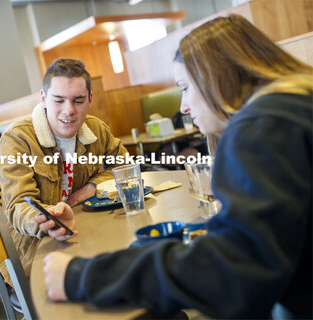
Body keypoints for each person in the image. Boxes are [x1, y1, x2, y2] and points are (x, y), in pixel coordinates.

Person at [42, 15, 312, 319]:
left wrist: (83, 276)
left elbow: (232, 273)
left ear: (217, 78)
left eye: (185, 87)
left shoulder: (261, 128)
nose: (183, 106)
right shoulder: (295, 106)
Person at [0, 58, 128, 281]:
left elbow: (125, 165)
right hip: (35, 248)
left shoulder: (97, 129)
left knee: (130, 257)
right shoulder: (18, 138)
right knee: (108, 275)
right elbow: (18, 206)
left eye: (78, 101)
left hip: (86, 231)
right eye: (59, 100)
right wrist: (48, 220)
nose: (68, 111)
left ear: (90, 99)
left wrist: (92, 186)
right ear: (44, 98)